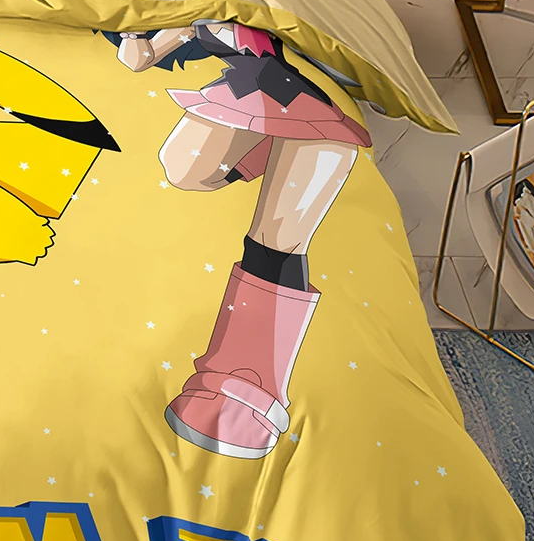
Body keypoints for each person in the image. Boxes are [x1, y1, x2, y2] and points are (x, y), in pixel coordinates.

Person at [113, 23, 371, 461]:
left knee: (277, 238)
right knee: (183, 166)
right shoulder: (200, 10)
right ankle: (268, 148)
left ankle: (246, 385)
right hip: (250, 88)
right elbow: (140, 58)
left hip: (319, 100)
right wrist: (136, 32)